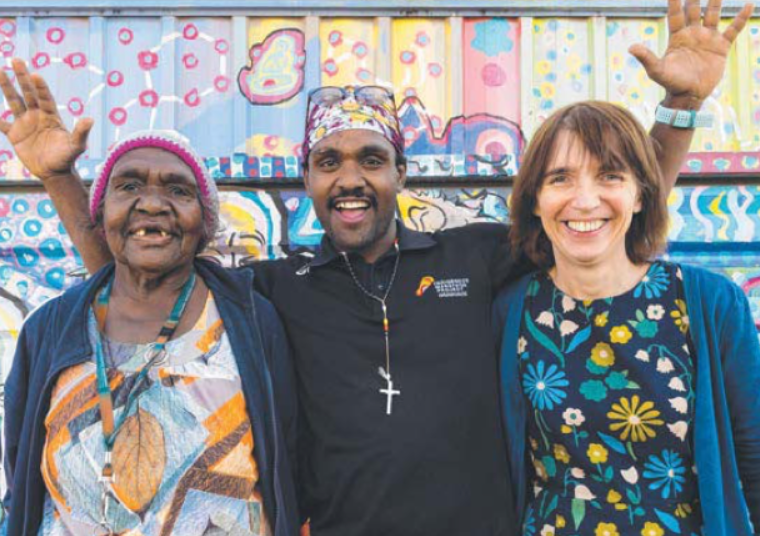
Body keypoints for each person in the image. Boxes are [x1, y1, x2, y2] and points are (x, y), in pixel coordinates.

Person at [0, 1, 752, 533]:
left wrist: (678, 110)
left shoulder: (475, 257)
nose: (350, 178)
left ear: (401, 173)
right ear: (306, 178)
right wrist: (63, 182)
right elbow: (142, 269)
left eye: (371, 159)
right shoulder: (274, 289)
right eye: (328, 161)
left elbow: (599, 224)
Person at [2, 130, 299, 535]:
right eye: (129, 186)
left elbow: (287, 460)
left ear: (204, 222)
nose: (153, 204)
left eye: (178, 190)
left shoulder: (251, 321)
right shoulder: (51, 328)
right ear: (102, 216)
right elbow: (20, 469)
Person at [494, 101, 760, 535]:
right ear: (535, 200)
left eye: (610, 176)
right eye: (560, 178)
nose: (585, 200)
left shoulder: (710, 303)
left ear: (640, 195)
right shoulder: (512, 310)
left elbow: (754, 455)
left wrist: (683, 101)